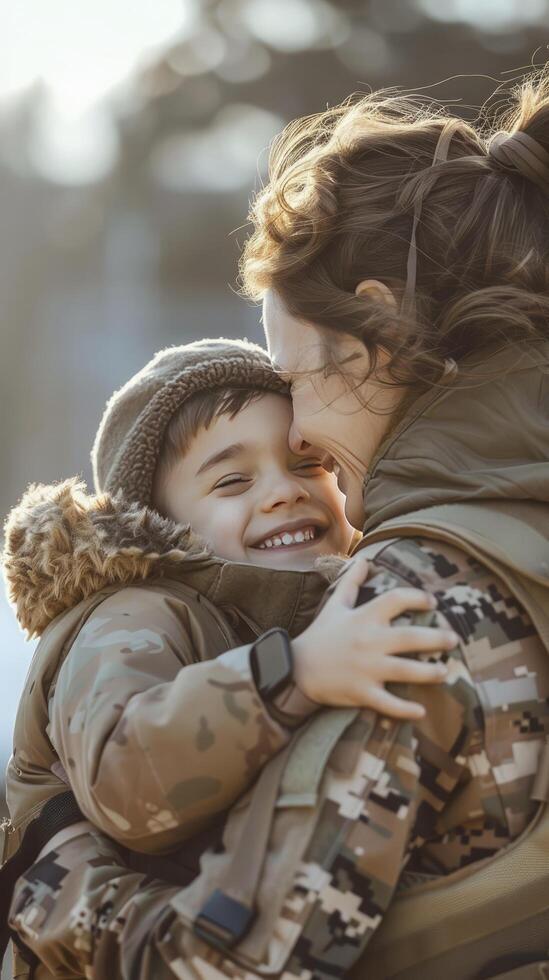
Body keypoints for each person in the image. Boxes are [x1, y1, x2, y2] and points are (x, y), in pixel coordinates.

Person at [1, 338, 452, 980]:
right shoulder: (134, 615)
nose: (281, 493)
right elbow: (126, 783)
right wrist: (292, 674)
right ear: (157, 527)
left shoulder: (309, 609)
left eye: (306, 465)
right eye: (233, 481)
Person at [234, 70, 549, 976]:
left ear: (380, 324)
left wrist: (56, 860)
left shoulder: (412, 600)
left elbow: (252, 963)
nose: (294, 430)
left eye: (295, 378)